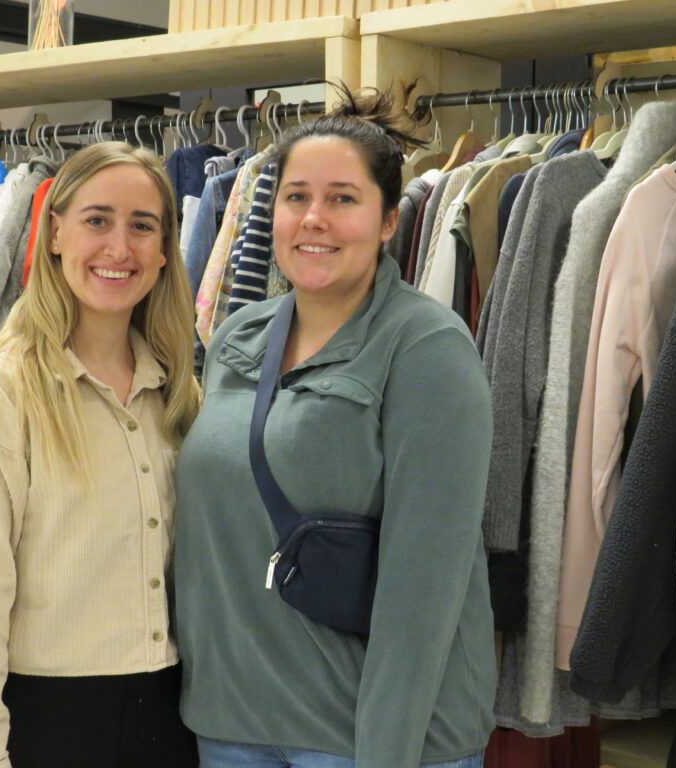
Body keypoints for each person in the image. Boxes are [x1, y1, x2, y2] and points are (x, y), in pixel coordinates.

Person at [175, 87, 497, 767]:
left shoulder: (426, 347)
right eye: (296, 197)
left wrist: (386, 752)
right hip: (232, 725)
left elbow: (426, 583)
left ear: (387, 221)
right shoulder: (238, 338)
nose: (313, 218)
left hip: (367, 738)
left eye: (343, 199)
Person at [0, 142, 201, 768]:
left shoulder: (175, 392)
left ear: (163, 250)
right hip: (47, 728)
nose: (119, 248)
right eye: (97, 220)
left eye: (142, 226)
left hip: (173, 719)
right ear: (54, 234)